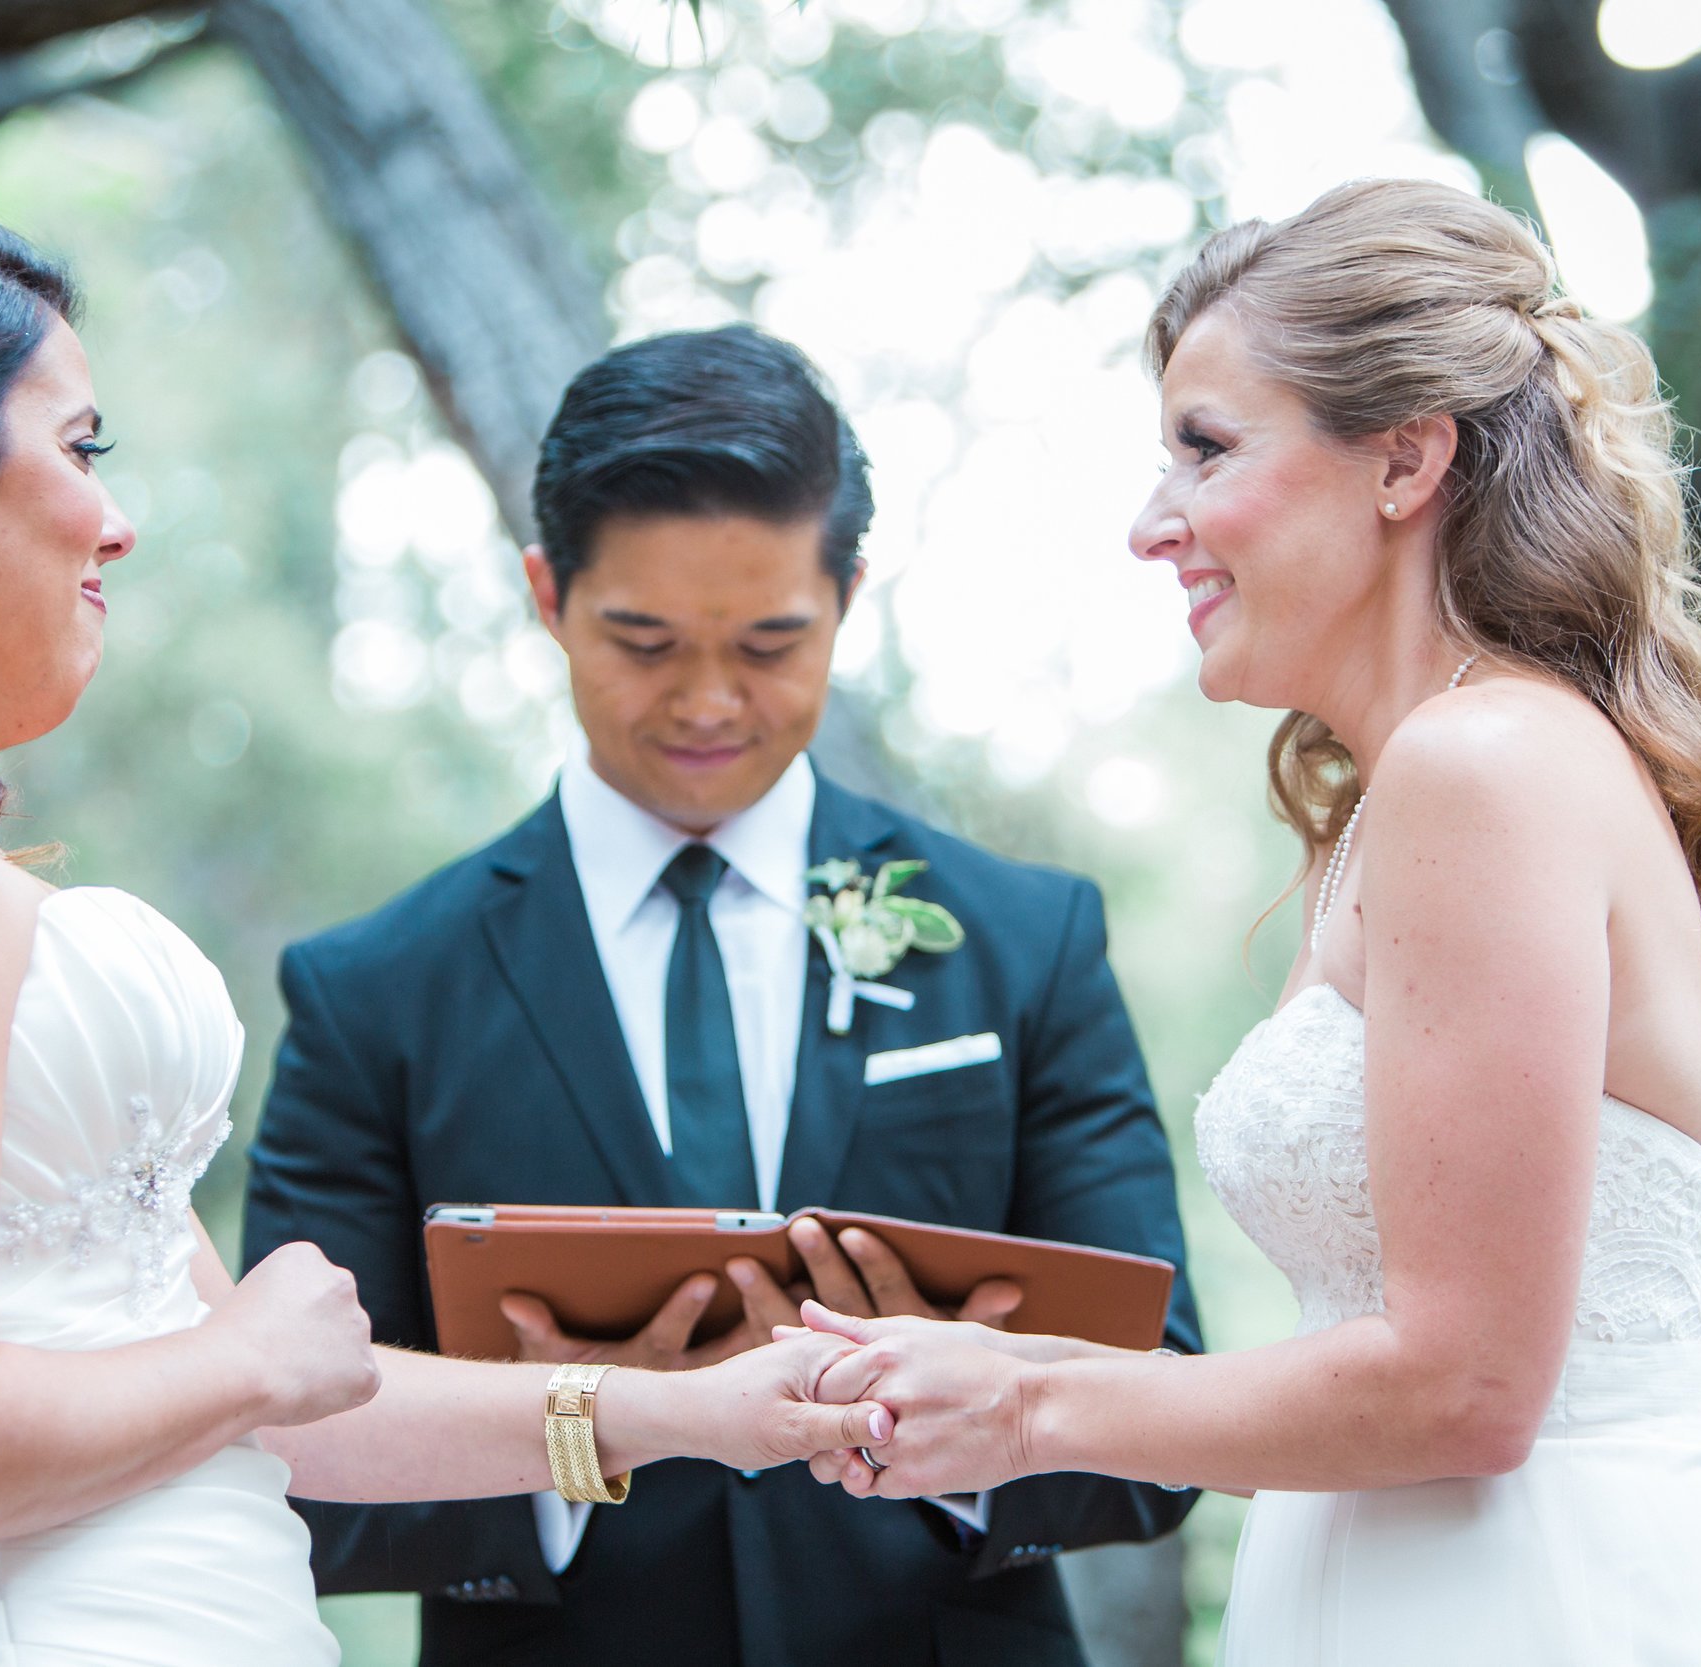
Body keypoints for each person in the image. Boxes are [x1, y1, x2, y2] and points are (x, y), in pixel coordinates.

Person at [0, 177, 879, 1667]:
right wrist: (242, 1362)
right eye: (78, 449)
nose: (114, 524)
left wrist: (695, 1410)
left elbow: (292, 1405)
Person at [791, 178, 1701, 1665]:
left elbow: (1469, 1388)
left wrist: (1029, 1408)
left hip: (1534, 1603)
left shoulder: (1482, 766)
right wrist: (980, 1359)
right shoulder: (1401, 798)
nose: (1151, 525)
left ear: (1406, 461)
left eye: (1205, 450)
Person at [242, 323, 1198, 1667]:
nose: (705, 701)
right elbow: (292, 1447)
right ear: (544, 594)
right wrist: (604, 1417)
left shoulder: (1026, 942)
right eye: (642, 641)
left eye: (766, 643)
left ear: (848, 598)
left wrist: (964, 1414)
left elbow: (1169, 1414)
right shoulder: (373, 993)